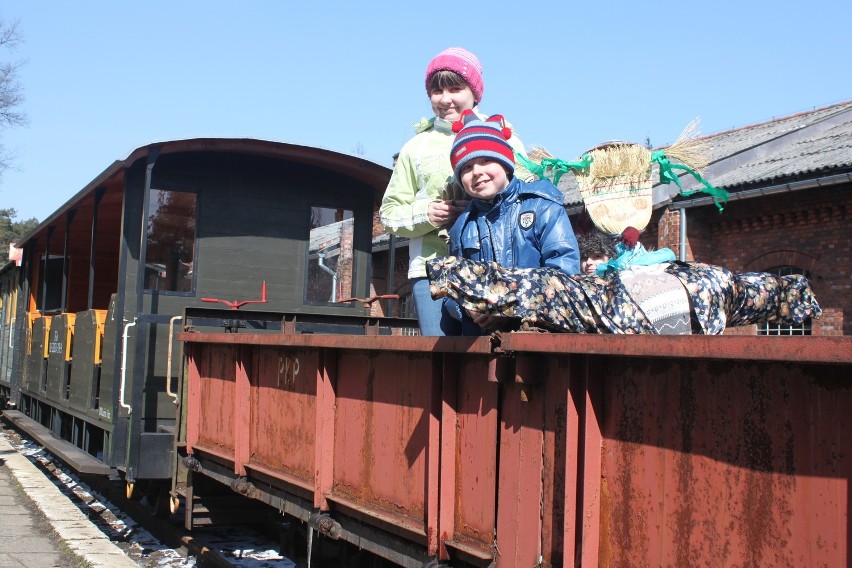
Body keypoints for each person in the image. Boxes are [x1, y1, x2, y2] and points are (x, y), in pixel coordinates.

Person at [380, 47, 529, 336]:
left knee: (488, 360)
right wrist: (428, 214)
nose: (445, 99)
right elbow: (388, 214)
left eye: (455, 88)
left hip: (493, 268)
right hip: (429, 271)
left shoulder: (502, 132)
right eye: (437, 91)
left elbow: (526, 193)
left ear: (474, 92)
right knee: (442, 366)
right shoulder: (416, 148)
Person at [445, 110, 580, 333]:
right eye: (466, 168)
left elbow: (564, 271)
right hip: (483, 341)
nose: (477, 172)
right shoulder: (462, 226)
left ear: (506, 164)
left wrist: (508, 307)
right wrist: (468, 309)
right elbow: (453, 286)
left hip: (540, 336)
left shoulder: (542, 206)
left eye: (485, 160)